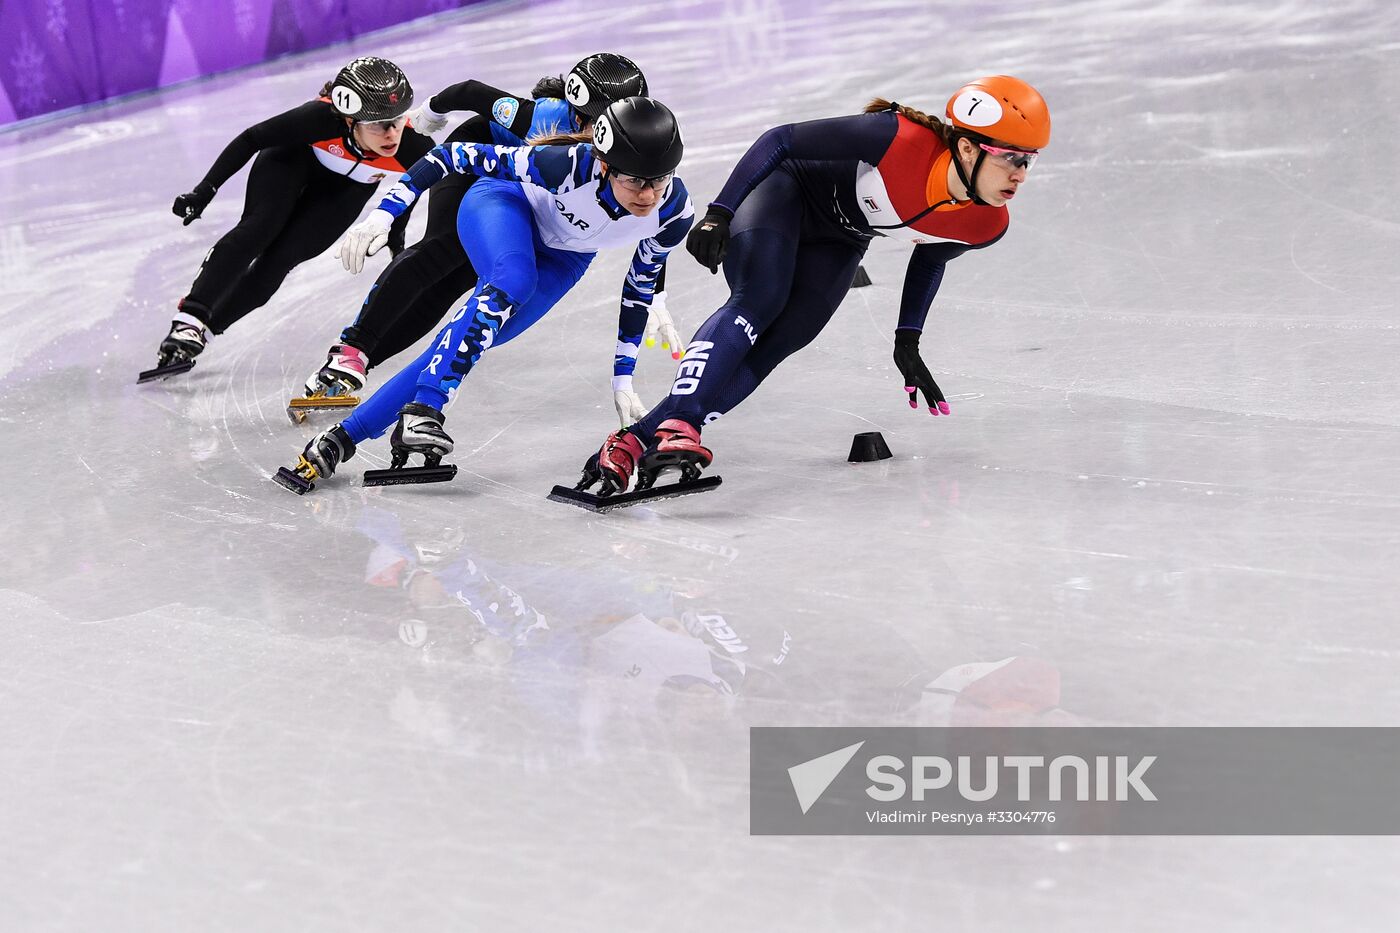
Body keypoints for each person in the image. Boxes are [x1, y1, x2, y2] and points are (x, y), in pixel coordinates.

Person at [575, 75, 1051, 495]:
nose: (1020, 174)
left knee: (788, 335)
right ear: (967, 147)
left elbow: (931, 255)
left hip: (842, 236)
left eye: (1029, 161)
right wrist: (720, 214)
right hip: (785, 193)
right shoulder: (899, 139)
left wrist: (908, 339)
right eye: (1009, 157)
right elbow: (779, 140)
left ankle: (636, 439)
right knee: (760, 300)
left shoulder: (987, 224)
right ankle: (682, 423)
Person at [273, 96, 693, 493]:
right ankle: (426, 410)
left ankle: (341, 439)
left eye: (660, 180)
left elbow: (638, 290)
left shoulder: (673, 212)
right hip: (503, 204)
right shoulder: (561, 165)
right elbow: (448, 157)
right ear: (603, 166)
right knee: (514, 280)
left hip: (565, 258)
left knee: (463, 343)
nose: (648, 195)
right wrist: (385, 214)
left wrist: (623, 379)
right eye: (635, 180)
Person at [301, 53, 682, 400]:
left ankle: (362, 363)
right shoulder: (542, 118)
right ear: (580, 119)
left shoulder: (616, 154)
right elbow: (469, 92)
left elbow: (647, 224)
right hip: (477, 160)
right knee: (443, 247)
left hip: (522, 184)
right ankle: (351, 349)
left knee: (456, 282)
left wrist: (655, 293)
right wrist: (431, 114)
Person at [146, 57, 436, 376]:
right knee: (259, 228)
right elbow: (251, 138)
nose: (391, 134)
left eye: (396, 121)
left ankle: (204, 333)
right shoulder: (320, 119)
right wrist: (205, 190)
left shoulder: (413, 145)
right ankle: (190, 319)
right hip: (290, 162)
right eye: (378, 125)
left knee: (280, 261)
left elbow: (415, 185)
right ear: (350, 121)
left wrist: (396, 234)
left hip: (345, 190)